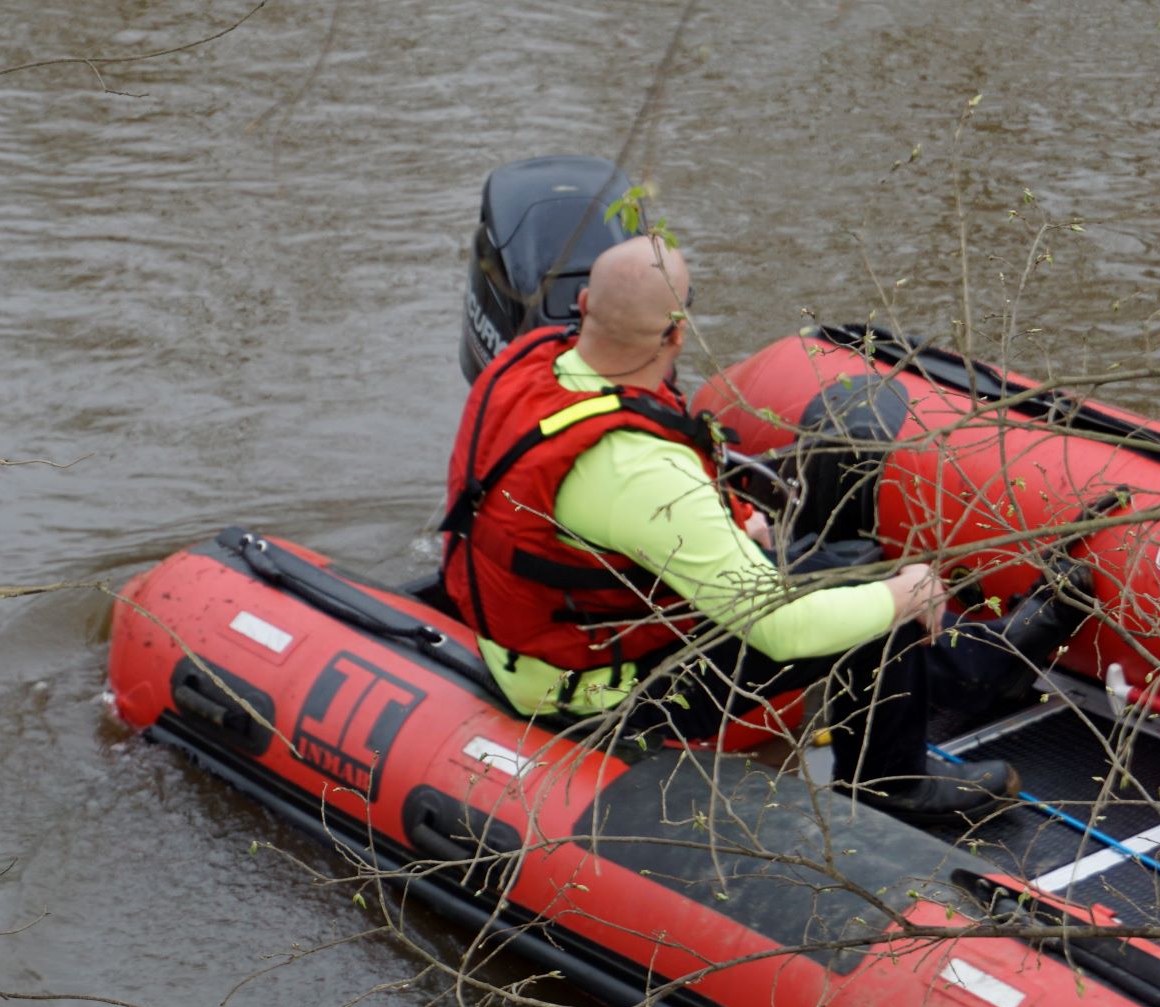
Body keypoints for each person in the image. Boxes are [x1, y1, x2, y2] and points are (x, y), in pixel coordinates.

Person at [437, 235, 1077, 822]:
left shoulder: (533, 364)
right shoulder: (642, 474)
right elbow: (779, 630)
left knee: (848, 559)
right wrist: (906, 594)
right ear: (678, 334)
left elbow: (632, 501)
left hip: (543, 644)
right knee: (878, 601)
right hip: (605, 695)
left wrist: (739, 520)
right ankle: (894, 779)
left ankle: (965, 663)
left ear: (581, 306)